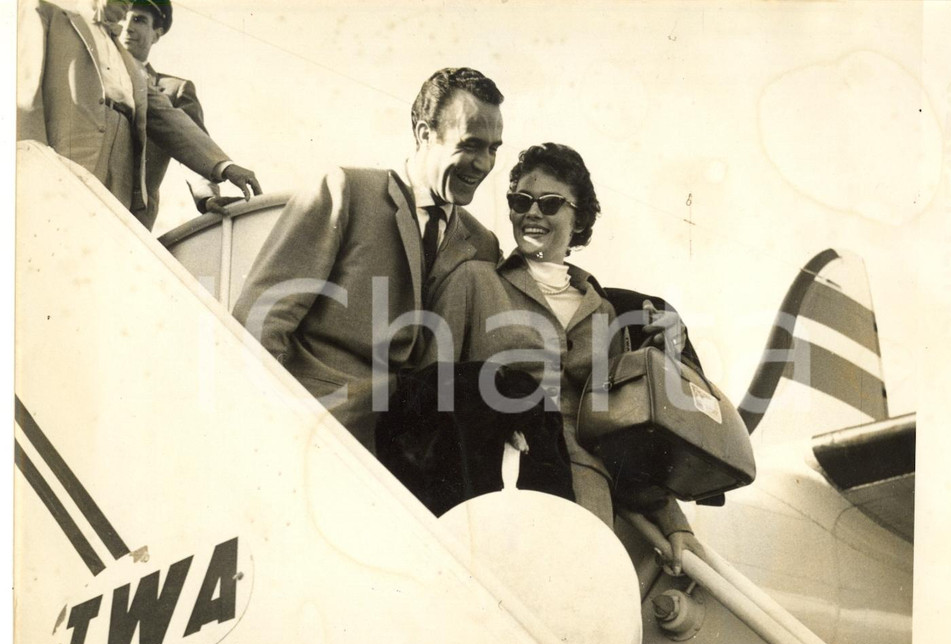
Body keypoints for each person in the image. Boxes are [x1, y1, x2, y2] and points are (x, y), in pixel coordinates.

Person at [422, 143, 702, 569]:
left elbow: (616, 431)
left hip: (586, 491)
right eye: (521, 201)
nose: (532, 213)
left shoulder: (604, 310)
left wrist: (675, 522)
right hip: (494, 480)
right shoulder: (473, 282)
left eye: (550, 203)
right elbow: (427, 391)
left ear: (579, 220)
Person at [232, 68, 504, 451]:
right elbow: (259, 318)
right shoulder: (346, 191)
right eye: (471, 145)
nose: (483, 164)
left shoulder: (482, 245)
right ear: (425, 134)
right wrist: (274, 422)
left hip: (410, 457)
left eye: (494, 149)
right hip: (312, 431)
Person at [16, 0, 261, 222]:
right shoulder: (48, 13)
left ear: (157, 34)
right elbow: (24, 99)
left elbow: (174, 123)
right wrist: (33, 167)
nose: (129, 13)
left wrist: (224, 168)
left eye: (140, 18)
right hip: (61, 175)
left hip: (121, 198)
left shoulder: (135, 69)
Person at [121, 0, 240, 230]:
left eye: (139, 20)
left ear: (157, 34)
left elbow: (191, 145)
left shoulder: (174, 90)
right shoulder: (93, 72)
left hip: (132, 218)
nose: (128, 27)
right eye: (123, 18)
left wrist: (207, 197)